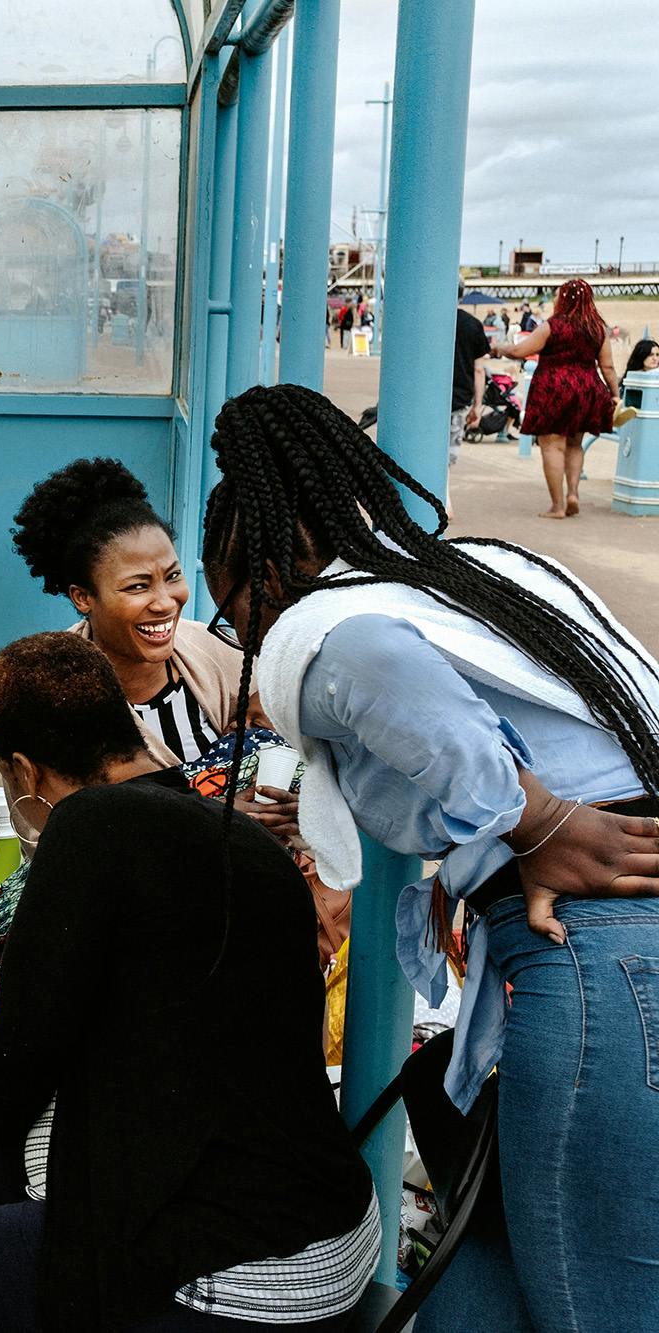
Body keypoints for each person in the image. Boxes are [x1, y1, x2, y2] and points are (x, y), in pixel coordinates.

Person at [201, 382, 659, 1331]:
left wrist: (529, 821)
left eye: (233, 614)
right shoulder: (479, 575)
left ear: (261, 579)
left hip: (599, 951)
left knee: (599, 1305)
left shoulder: (318, 625)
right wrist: (484, 860)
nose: (243, 640)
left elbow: (376, 666)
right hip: (612, 949)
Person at [0, 633, 377, 1333]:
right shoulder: (246, 838)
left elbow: (14, 1070)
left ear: (24, 770)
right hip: (332, 1230)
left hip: (238, 1275)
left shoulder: (87, 825)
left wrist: (18, 1098)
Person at [6, 457, 296, 842]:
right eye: (137, 586)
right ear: (82, 597)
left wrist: (292, 807)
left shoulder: (223, 656)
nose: (165, 602)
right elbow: (52, 839)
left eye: (172, 576)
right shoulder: (53, 697)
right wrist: (210, 821)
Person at [494, 278, 619, 518]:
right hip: (586, 389)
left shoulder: (552, 326)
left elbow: (522, 350)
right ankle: (573, 492)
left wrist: (500, 348)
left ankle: (557, 506)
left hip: (554, 388)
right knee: (574, 443)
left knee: (552, 446)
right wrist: (614, 395)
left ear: (563, 299)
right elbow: (608, 366)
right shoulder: (598, 328)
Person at [453, 292, 496, 466]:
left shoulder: (427, 321)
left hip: (427, 399)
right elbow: (479, 370)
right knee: (447, 461)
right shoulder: (473, 324)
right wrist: (477, 407)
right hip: (459, 400)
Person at [622, 337, 659, 413]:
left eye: (657, 355)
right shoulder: (632, 376)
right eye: (650, 355)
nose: (655, 358)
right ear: (641, 355)